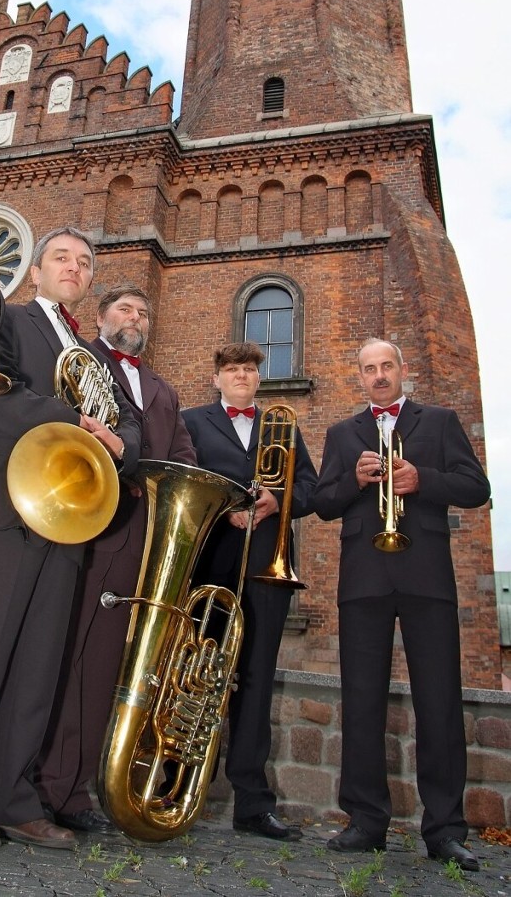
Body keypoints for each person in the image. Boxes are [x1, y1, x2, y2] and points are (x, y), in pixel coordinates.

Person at [0, 230, 141, 852]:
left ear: (90, 281)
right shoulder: (6, 320)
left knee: (37, 669)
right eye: (61, 257)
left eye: (84, 261)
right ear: (35, 271)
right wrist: (76, 423)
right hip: (2, 506)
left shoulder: (90, 355)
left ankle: (13, 799)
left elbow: (131, 426)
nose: (74, 266)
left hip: (66, 517)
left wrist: (122, 445)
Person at [312, 338, 490, 873]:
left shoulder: (438, 422)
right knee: (360, 700)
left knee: (440, 702)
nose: (380, 376)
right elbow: (322, 503)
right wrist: (354, 480)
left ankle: (445, 830)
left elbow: (475, 487)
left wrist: (423, 480)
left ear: (402, 370)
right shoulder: (344, 434)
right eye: (369, 369)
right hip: (364, 578)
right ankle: (366, 822)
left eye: (387, 366)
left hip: (427, 577)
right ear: (360, 377)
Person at [36, 283, 197, 833]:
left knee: (103, 662)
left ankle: (72, 791)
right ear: (101, 317)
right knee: (63, 653)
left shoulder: (162, 389)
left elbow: (182, 458)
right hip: (84, 519)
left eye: (143, 311)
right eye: (125, 309)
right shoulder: (79, 360)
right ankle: (37, 780)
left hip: (137, 534)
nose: (135, 316)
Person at [183, 342, 316, 841]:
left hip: (266, 568)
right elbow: (187, 479)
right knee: (197, 671)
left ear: (259, 379)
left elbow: (310, 490)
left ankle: (253, 805)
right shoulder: (192, 421)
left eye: (248, 370)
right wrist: (224, 507)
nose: (241, 376)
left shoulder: (283, 425)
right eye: (231, 369)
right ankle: (177, 786)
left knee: (256, 682)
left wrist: (274, 499)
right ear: (216, 378)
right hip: (211, 565)